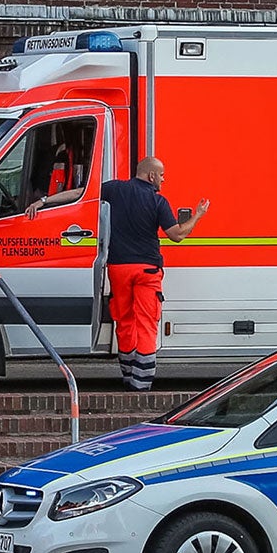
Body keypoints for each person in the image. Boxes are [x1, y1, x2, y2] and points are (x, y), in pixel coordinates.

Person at [100, 156, 209, 392]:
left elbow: (82, 194)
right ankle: (141, 384)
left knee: (125, 321)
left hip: (118, 267)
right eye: (161, 175)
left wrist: (44, 200)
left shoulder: (115, 189)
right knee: (147, 323)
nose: (163, 179)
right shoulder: (157, 201)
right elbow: (177, 235)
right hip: (147, 269)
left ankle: (128, 375)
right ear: (151, 176)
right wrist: (197, 216)